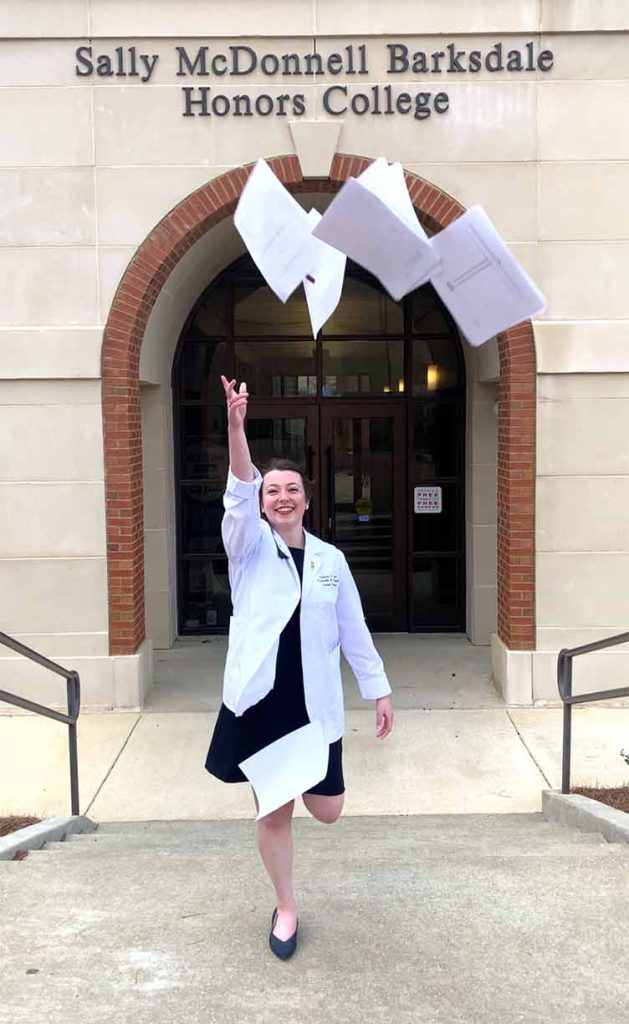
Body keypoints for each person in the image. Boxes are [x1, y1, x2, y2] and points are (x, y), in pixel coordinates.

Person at [205, 375, 394, 960]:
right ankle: (286, 906)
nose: (281, 497)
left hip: (315, 706)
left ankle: (306, 783)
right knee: (275, 812)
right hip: (264, 703)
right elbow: (238, 488)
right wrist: (237, 429)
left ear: (308, 500)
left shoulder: (332, 561)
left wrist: (378, 690)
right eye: (272, 490)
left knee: (329, 811)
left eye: (292, 489)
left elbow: (352, 630)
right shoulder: (249, 548)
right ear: (263, 503)